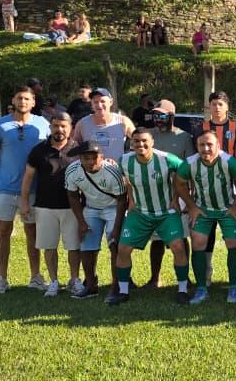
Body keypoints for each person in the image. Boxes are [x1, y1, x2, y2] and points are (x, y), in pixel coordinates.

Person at [0, 86, 51, 295]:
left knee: (32, 232)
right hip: (5, 188)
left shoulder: (43, 124)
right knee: (3, 231)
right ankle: (2, 278)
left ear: (33, 102)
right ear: (13, 100)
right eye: (19, 98)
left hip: (33, 189)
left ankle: (36, 277)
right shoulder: (0, 124)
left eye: (26, 99)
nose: (22, 101)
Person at [112, 128, 194, 306]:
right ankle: (123, 291)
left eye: (144, 141)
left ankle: (182, 290)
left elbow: (186, 172)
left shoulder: (166, 158)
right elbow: (127, 181)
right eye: (136, 141)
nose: (140, 144)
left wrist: (176, 199)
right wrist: (131, 200)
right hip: (140, 213)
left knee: (178, 247)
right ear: (131, 143)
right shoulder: (124, 161)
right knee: (123, 249)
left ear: (152, 142)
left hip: (166, 212)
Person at [177, 130, 236, 305]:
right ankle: (201, 289)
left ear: (218, 145)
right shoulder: (189, 163)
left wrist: (235, 205)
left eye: (210, 144)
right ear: (197, 147)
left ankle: (234, 288)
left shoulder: (228, 162)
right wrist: (192, 206)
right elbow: (179, 183)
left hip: (227, 209)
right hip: (202, 210)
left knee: (233, 244)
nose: (206, 148)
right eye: (201, 145)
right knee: (197, 244)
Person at [19, 113, 81, 298]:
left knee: (73, 247)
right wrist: (24, 202)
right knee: (49, 246)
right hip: (45, 207)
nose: (59, 130)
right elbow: (28, 178)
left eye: (63, 126)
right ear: (50, 127)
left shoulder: (79, 150)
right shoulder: (39, 150)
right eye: (55, 126)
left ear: (70, 127)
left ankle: (74, 280)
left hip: (72, 207)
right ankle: (53, 282)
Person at [64, 140, 126, 301]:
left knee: (115, 246)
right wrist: (81, 222)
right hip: (91, 209)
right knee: (87, 248)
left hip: (113, 208)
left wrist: (117, 228)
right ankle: (91, 285)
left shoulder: (112, 171)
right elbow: (72, 196)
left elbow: (121, 200)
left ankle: (116, 286)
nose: (91, 162)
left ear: (101, 157)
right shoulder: (72, 171)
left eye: (95, 157)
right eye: (86, 158)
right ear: (80, 158)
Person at [147, 99, 197, 288]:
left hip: (178, 194)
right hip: (153, 195)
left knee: (181, 237)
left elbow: (189, 166)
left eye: (162, 116)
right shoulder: (148, 135)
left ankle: (185, 279)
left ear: (171, 116)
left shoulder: (184, 137)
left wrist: (188, 196)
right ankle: (154, 278)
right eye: (155, 115)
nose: (157, 119)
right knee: (157, 240)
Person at [71, 87, 135, 163]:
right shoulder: (82, 124)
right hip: (91, 171)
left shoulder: (123, 121)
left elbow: (138, 140)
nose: (99, 105)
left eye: (102, 101)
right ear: (91, 104)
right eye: (95, 102)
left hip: (117, 170)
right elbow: (75, 147)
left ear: (111, 102)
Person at [201, 91, 236, 160]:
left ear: (227, 107)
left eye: (220, 104)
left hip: (230, 169)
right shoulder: (200, 128)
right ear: (210, 106)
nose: (217, 107)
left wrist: (234, 167)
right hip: (207, 170)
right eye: (214, 104)